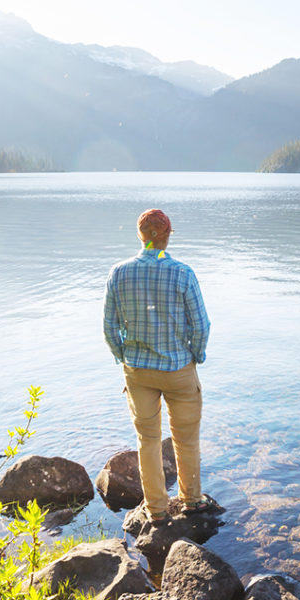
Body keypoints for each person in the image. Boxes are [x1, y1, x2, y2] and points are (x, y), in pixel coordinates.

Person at [103, 208, 212, 524]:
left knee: (148, 441)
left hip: (138, 371)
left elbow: (109, 328)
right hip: (179, 369)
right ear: (166, 234)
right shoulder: (182, 273)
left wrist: (123, 356)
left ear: (140, 236)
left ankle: (157, 510)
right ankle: (191, 501)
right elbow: (201, 325)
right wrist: (197, 355)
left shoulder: (119, 273)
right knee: (186, 439)